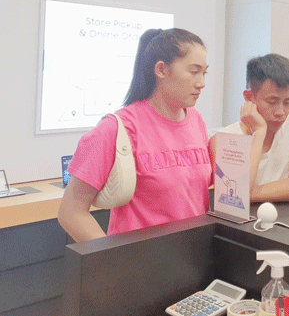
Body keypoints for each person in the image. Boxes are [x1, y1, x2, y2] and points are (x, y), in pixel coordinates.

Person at [58, 28, 213, 242]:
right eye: (193, 71)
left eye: (204, 73)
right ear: (161, 70)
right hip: (140, 266)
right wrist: (116, 262)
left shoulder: (196, 120)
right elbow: (71, 212)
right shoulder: (116, 128)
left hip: (193, 259)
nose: (201, 83)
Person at [215, 54, 289, 203]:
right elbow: (235, 198)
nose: (280, 112)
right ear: (249, 97)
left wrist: (247, 193)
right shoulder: (224, 139)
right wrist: (259, 133)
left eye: (287, 102)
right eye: (272, 102)